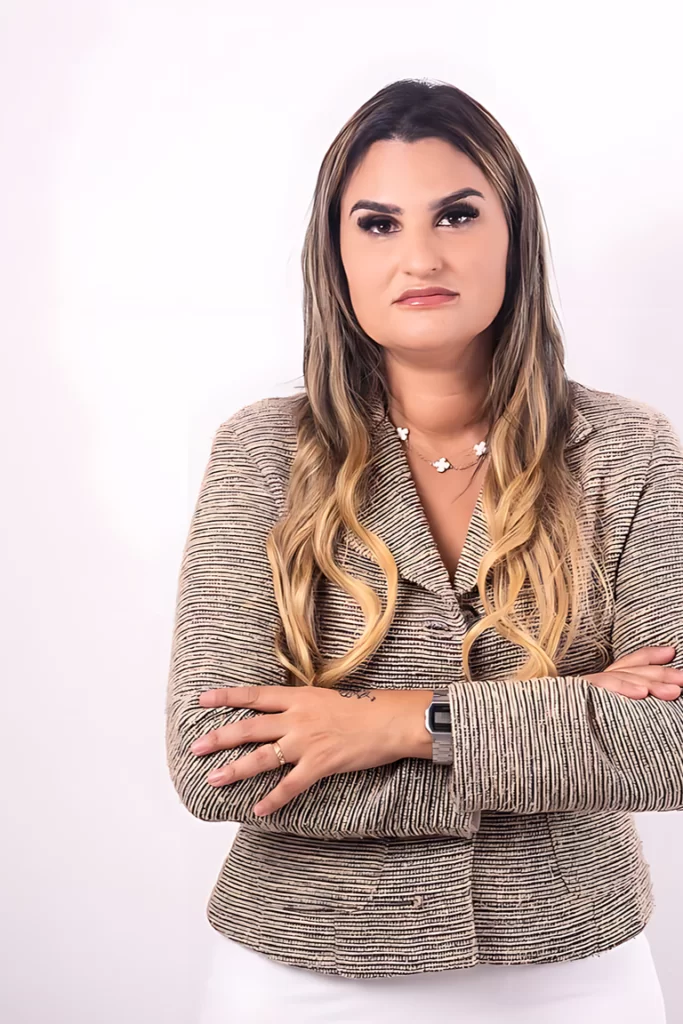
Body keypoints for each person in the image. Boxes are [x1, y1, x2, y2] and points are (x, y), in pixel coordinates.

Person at [165, 79, 683, 1022]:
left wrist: (399, 723)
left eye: (455, 214)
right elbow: (214, 765)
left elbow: (671, 743)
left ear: (514, 232)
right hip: (301, 975)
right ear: (335, 256)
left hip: (577, 972)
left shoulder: (627, 449)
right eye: (377, 224)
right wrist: (564, 727)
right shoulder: (263, 452)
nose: (420, 256)